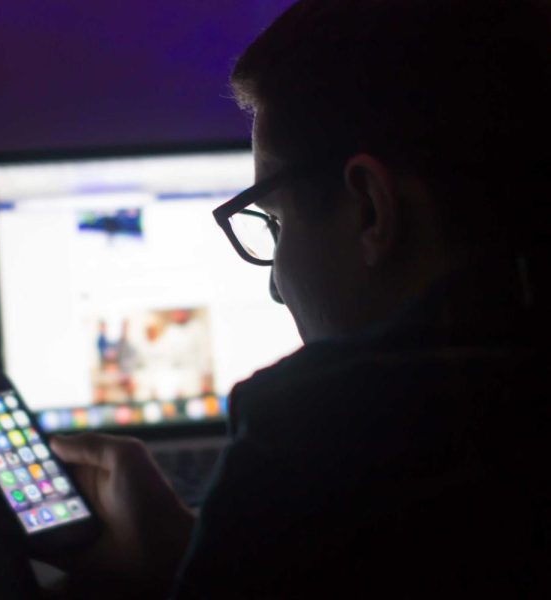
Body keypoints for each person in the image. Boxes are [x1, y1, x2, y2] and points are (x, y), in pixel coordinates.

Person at [48, 0, 551, 597]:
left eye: (275, 223)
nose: (274, 285)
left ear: (370, 208)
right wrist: (187, 554)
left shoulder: (308, 447)